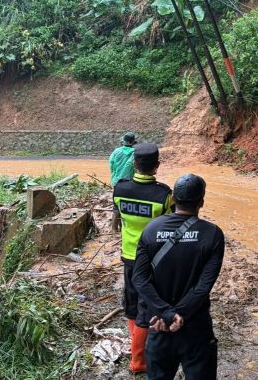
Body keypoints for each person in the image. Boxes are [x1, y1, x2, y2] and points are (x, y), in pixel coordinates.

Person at [132, 174, 225, 380]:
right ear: (202, 201)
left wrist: (165, 313)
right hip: (195, 328)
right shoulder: (212, 234)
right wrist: (178, 315)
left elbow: (139, 279)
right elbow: (203, 286)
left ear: (173, 198)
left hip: (159, 324)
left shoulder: (150, 230)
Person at [112, 142, 173, 373]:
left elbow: (116, 221)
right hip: (154, 259)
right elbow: (170, 228)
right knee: (146, 306)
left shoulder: (120, 189)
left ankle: (137, 343)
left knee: (131, 305)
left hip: (129, 255)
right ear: (157, 166)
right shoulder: (164, 195)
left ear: (134, 164)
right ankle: (139, 361)